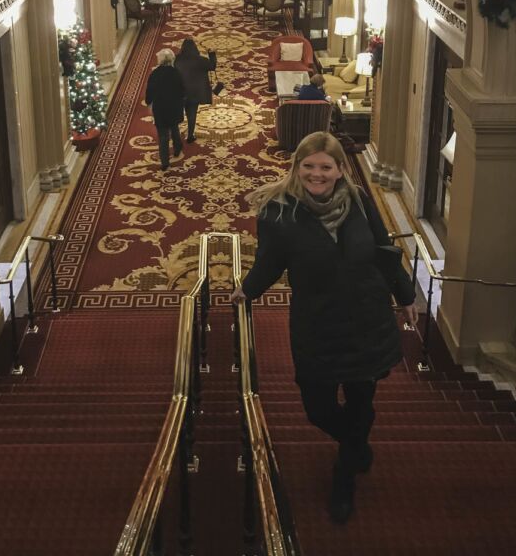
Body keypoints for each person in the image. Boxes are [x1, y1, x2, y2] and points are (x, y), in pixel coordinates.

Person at [231, 132, 417, 524]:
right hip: (317, 324)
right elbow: (269, 262)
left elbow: (384, 249)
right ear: (297, 167)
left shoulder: (359, 201)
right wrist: (247, 290)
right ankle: (356, 444)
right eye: (309, 166)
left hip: (367, 320)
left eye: (325, 167)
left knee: (362, 401)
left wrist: (405, 293)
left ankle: (344, 477)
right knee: (318, 409)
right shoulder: (278, 213)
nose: (317, 174)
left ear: (339, 169)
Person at [144, 48, 185, 170]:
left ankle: (165, 162)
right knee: (174, 128)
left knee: (163, 135)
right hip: (174, 107)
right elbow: (182, 90)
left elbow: (149, 92)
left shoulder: (155, 74)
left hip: (160, 109)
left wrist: (149, 102)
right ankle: (177, 148)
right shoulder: (176, 73)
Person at [174, 38, 217, 143]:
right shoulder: (201, 60)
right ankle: (190, 135)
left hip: (179, 91)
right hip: (195, 92)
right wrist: (211, 54)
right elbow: (212, 66)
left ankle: (175, 137)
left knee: (175, 114)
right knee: (192, 114)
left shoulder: (177, 60)